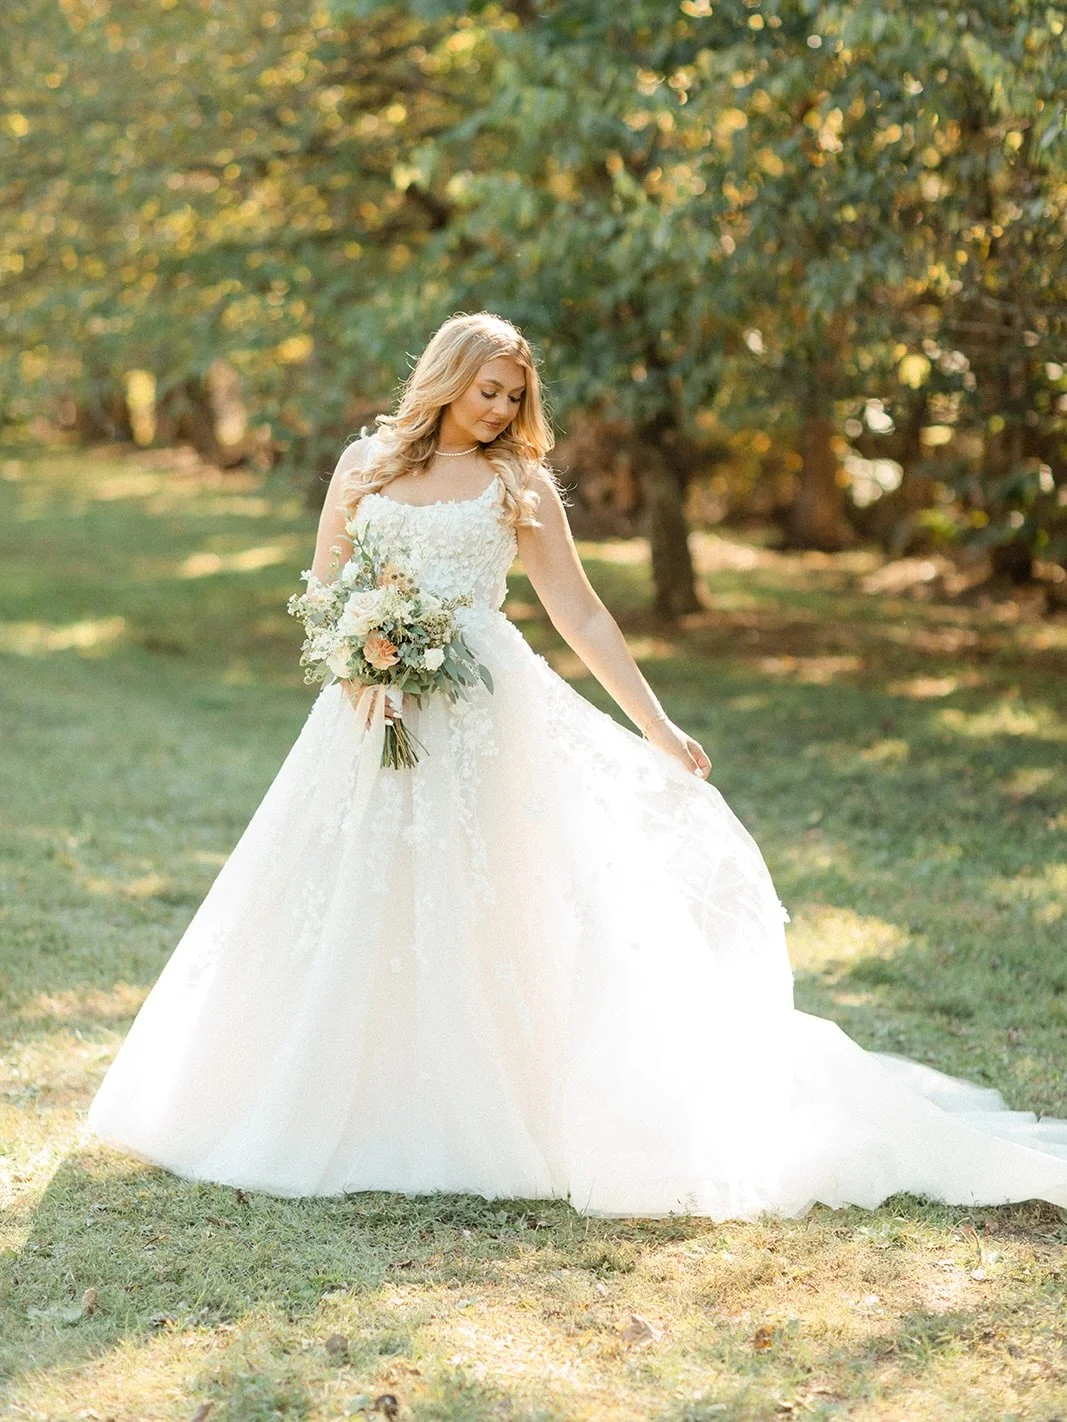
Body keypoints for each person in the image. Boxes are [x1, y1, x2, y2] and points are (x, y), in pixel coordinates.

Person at [86, 312, 1067, 1220]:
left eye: (514, 396)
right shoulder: (366, 462)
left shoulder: (517, 486)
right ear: (445, 380)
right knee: (357, 895)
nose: (502, 410)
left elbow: (580, 612)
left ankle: (499, 1098)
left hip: (482, 712)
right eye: (488, 392)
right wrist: (358, 661)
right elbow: (324, 583)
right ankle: (340, 1085)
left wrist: (656, 724)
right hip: (370, 710)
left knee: (494, 898)